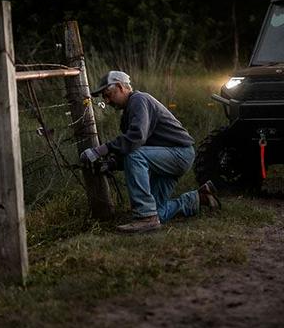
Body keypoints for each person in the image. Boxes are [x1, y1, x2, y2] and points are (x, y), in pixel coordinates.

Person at [80, 70, 220, 233]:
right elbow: (134, 146)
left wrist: (100, 150)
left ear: (120, 87)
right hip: (167, 158)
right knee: (158, 212)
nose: (107, 100)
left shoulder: (139, 100)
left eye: (108, 94)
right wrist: (111, 163)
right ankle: (200, 197)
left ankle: (145, 218)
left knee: (135, 157)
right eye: (104, 97)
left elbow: (136, 138)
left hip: (179, 153)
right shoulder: (128, 113)